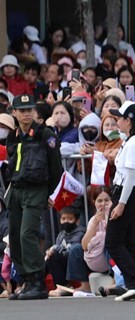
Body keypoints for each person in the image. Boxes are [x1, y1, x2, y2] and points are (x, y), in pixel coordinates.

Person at [5, 94, 62, 300]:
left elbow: (56, 168)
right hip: (17, 189)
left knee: (27, 234)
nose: (27, 114)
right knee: (15, 236)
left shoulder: (44, 134)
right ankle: (27, 279)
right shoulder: (13, 136)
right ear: (14, 112)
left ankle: (38, 279)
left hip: (36, 189)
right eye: (22, 110)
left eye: (29, 110)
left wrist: (47, 192)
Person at [102, 101, 135, 301]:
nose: (117, 122)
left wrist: (121, 204)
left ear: (129, 121)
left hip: (127, 195)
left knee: (113, 242)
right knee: (129, 242)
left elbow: (130, 177)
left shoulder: (133, 143)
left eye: (120, 118)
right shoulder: (131, 140)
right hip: (129, 194)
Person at [44, 207, 85, 291]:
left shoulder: (81, 233)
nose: (66, 221)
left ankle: (63, 286)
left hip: (74, 262)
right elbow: (58, 246)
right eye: (63, 219)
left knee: (54, 256)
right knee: (47, 258)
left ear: (77, 221)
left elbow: (72, 250)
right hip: (63, 260)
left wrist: (55, 250)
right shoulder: (61, 234)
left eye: (70, 219)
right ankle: (37, 285)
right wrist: (50, 251)